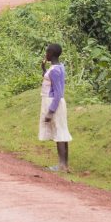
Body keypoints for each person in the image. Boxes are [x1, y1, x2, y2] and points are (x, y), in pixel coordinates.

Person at [39, 43, 72, 172]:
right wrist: (44, 70)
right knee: (62, 133)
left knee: (60, 134)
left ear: (51, 54)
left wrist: (50, 112)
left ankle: (62, 166)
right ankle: (64, 165)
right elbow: (50, 82)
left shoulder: (55, 70)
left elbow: (57, 93)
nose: (45, 55)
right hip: (55, 102)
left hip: (54, 103)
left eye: (47, 52)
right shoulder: (57, 68)